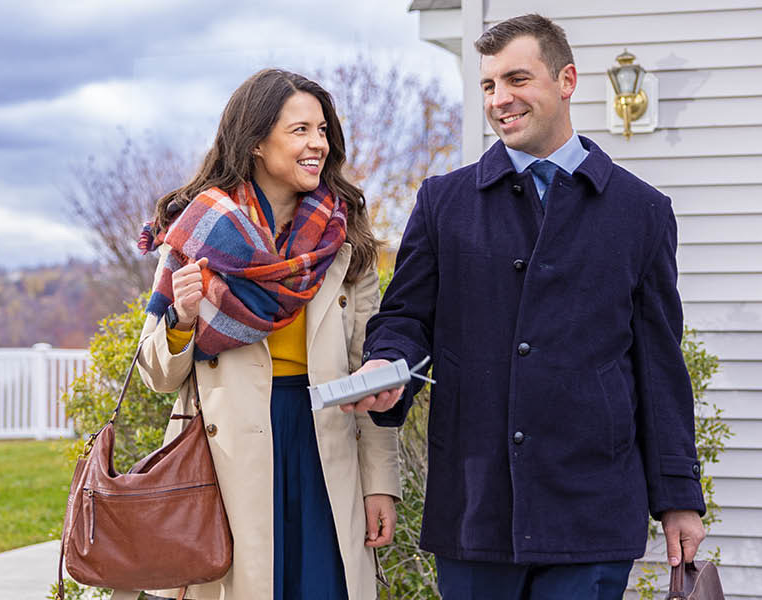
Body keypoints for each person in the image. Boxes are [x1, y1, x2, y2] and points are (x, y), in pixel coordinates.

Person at [348, 14, 707, 600]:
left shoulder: (641, 212)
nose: (499, 100)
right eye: (488, 85)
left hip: (592, 510)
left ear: (567, 80)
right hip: (476, 504)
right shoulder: (444, 203)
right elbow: (405, 317)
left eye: (517, 79)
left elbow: (660, 364)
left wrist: (678, 498)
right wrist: (386, 364)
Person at [135, 68, 400, 600]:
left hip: (324, 447)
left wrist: (380, 484)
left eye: (322, 130)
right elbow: (159, 377)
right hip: (226, 456)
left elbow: (366, 371)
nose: (317, 144)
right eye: (299, 130)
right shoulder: (198, 231)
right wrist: (183, 318)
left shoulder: (342, 238)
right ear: (257, 142)